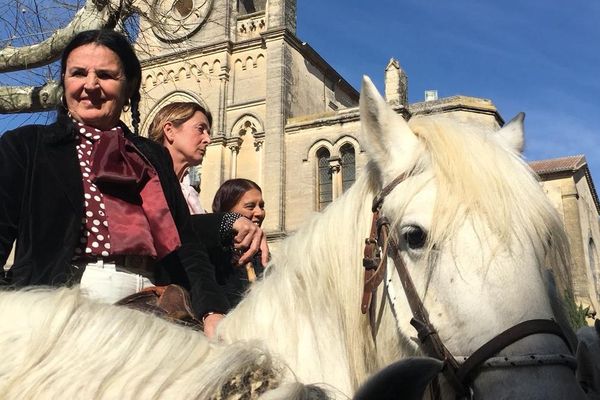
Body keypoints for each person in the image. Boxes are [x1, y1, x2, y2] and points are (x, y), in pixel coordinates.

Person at [0, 29, 239, 338]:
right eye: (78, 73)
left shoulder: (151, 156)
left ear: (129, 88)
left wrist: (212, 310)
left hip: (157, 306)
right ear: (64, 83)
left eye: (106, 75)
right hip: (67, 309)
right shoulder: (25, 147)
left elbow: (186, 243)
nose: (90, 85)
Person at [148, 102, 269, 309]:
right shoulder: (148, 176)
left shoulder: (190, 194)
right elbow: (176, 228)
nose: (208, 139)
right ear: (169, 131)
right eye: (200, 129)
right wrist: (229, 221)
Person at [212, 178, 267, 306]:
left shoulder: (265, 258)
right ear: (227, 210)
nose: (259, 212)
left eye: (262, 206)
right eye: (250, 206)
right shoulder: (213, 252)